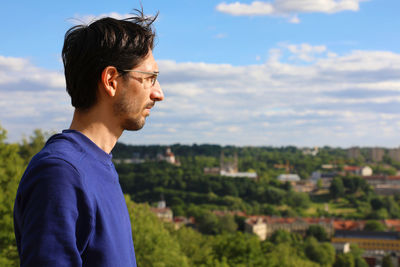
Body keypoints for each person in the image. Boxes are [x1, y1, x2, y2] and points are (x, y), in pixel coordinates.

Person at [13, 9, 163, 267]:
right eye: (149, 79)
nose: (158, 93)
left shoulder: (94, 165)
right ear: (111, 81)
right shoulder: (61, 173)